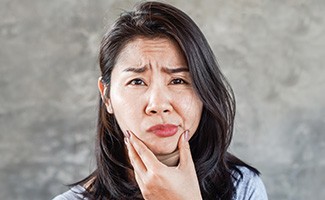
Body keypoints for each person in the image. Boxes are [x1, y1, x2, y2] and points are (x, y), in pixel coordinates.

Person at [53, 1, 267, 200]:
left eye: (178, 80)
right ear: (106, 95)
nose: (158, 105)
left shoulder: (243, 187)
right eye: (137, 82)